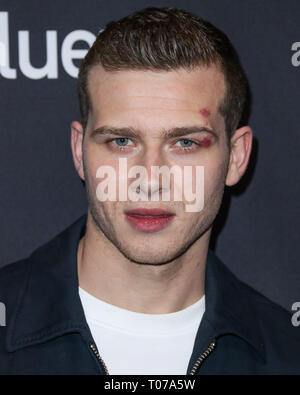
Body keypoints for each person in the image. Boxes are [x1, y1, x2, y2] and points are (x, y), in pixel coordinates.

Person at [0, 6, 299, 375]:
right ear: (79, 151)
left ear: (236, 158)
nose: (151, 179)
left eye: (186, 143)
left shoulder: (288, 355)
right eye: (122, 141)